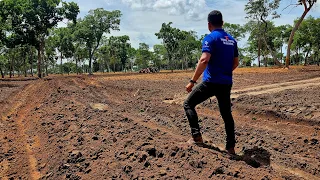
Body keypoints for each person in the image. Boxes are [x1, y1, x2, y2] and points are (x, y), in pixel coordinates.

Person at [183, 10, 239, 154]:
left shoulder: (210, 38)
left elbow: (204, 60)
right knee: (226, 114)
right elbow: (236, 63)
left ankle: (197, 137)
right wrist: (225, 72)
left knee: (188, 104)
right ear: (223, 23)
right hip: (226, 83)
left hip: (211, 82)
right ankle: (231, 147)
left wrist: (192, 81)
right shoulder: (232, 40)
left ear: (209, 25)